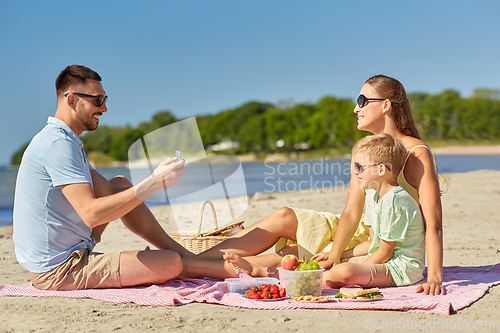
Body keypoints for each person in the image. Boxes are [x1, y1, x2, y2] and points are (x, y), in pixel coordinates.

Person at [183, 74, 444, 295]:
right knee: (284, 216)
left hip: (380, 237)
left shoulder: (416, 154)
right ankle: (192, 260)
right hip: (360, 230)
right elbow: (352, 212)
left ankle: (190, 265)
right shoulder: (364, 151)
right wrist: (336, 252)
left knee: (290, 255)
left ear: (386, 105)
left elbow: (433, 223)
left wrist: (434, 276)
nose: (356, 108)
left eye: (362, 100)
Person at [13, 65, 193, 291]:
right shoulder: (57, 144)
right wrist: (154, 183)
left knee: (119, 185)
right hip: (59, 270)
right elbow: (91, 215)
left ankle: (184, 254)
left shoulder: (66, 140)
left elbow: (110, 193)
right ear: (72, 101)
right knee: (170, 263)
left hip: (72, 251)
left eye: (105, 99)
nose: (105, 108)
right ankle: (185, 260)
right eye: (98, 101)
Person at [314, 133, 425, 288]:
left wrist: (359, 268)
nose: (356, 172)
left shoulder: (394, 200)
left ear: (381, 170)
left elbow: (385, 252)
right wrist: (337, 256)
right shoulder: (373, 195)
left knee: (344, 271)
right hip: (382, 260)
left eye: (360, 167)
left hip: (401, 270)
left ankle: (311, 282)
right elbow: (373, 243)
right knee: (333, 264)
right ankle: (313, 278)